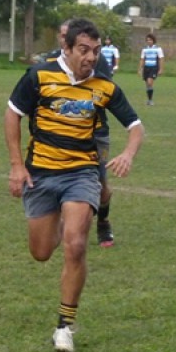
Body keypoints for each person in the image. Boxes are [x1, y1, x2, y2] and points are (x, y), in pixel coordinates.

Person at [4, 18, 145, 352]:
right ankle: (61, 222)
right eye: (83, 50)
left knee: (77, 244)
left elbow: (135, 125)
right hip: (41, 173)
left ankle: (65, 325)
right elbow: (12, 114)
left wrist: (128, 153)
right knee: (41, 252)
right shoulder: (39, 76)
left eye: (95, 51)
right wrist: (17, 165)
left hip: (81, 173)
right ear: (65, 48)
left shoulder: (104, 86)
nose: (90, 57)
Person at [50, 21, 118, 247]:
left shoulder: (96, 60)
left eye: (67, 35)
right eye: (62, 35)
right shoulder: (50, 62)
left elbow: (106, 94)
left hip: (95, 133)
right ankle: (66, 220)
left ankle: (103, 221)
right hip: (59, 132)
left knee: (100, 182)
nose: (64, 39)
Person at [139, 33, 164, 106]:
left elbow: (161, 59)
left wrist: (161, 69)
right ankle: (149, 100)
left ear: (153, 40)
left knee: (150, 82)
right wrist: (140, 69)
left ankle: (150, 100)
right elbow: (142, 59)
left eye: (150, 40)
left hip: (154, 68)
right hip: (146, 68)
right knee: (147, 85)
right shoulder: (144, 49)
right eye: (147, 40)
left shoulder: (158, 49)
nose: (149, 41)